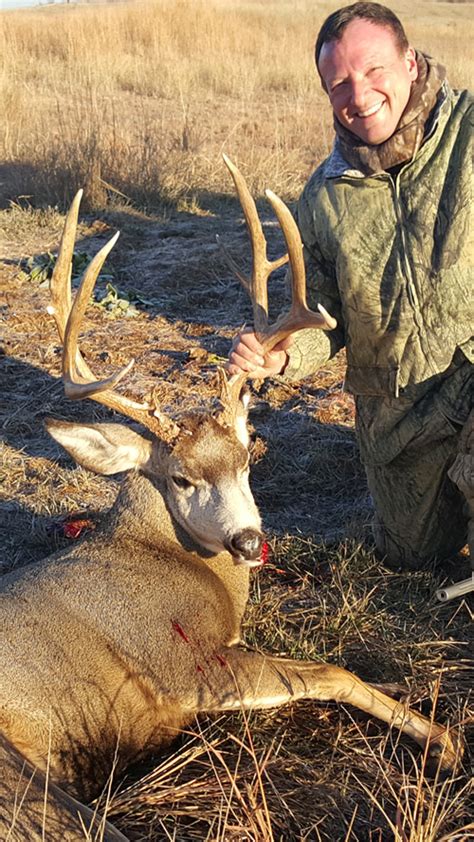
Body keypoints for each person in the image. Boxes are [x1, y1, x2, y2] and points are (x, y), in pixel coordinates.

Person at [227, 2, 473, 571]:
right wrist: (282, 354)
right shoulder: (324, 196)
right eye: (339, 82)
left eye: (374, 71)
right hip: (401, 418)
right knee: (413, 556)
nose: (359, 97)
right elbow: (323, 311)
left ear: (410, 63)